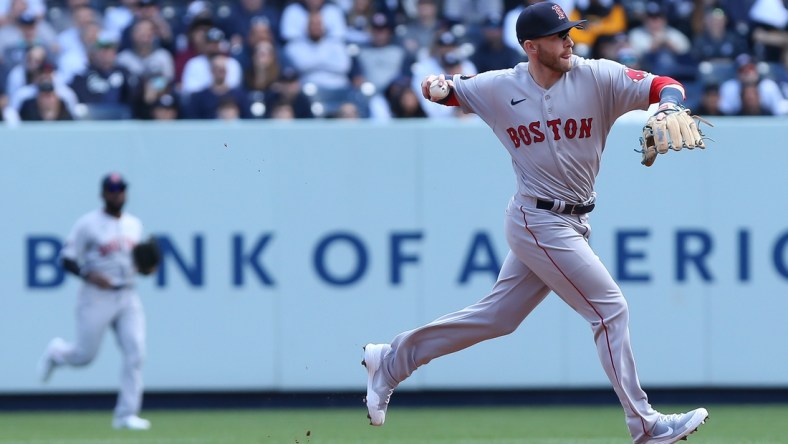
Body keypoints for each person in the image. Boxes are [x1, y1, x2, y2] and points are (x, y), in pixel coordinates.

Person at [362, 3, 710, 444]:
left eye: (570, 32)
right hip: (536, 218)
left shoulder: (597, 76)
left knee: (497, 317)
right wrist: (435, 87)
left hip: (573, 218)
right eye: (559, 35)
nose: (570, 40)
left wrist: (667, 107)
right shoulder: (500, 86)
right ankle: (644, 425)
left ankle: (391, 360)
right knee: (609, 309)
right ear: (531, 46)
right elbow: (451, 90)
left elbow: (664, 84)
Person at [37, 172, 153, 430]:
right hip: (96, 295)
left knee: (136, 352)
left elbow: (138, 263)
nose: (117, 194)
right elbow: (66, 259)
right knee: (84, 356)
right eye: (112, 190)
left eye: (121, 189)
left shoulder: (135, 224)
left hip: (127, 294)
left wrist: (147, 268)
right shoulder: (88, 224)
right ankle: (56, 352)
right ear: (103, 194)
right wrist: (89, 275)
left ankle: (125, 415)